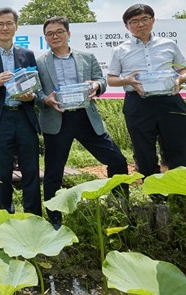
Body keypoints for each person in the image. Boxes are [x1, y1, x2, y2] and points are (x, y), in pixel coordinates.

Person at [36, 16, 128, 229]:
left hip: (86, 117)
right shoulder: (40, 62)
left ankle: (121, 204)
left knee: (117, 160)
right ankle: (54, 217)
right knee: (53, 173)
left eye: (59, 32)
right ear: (45, 38)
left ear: (68, 33)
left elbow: (102, 80)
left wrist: (96, 84)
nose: (55, 36)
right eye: (50, 34)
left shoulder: (87, 57)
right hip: (57, 118)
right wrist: (45, 100)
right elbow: (37, 91)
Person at [107, 4, 186, 177]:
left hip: (170, 100)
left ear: (153, 20)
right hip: (138, 102)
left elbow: (184, 71)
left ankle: (181, 195)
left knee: (178, 146)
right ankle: (155, 195)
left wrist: (179, 79)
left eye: (144, 19)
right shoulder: (120, 50)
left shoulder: (168, 45)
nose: (140, 24)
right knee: (143, 148)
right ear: (127, 26)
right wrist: (127, 80)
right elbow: (111, 79)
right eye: (134, 21)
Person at [0, 7, 41, 215]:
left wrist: (32, 96)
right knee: (2, 173)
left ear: (16, 26)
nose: (5, 27)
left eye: (9, 23)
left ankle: (33, 216)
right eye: (0, 24)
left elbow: (35, 83)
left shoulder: (27, 54)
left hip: (24, 116)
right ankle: (5, 216)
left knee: (30, 170)